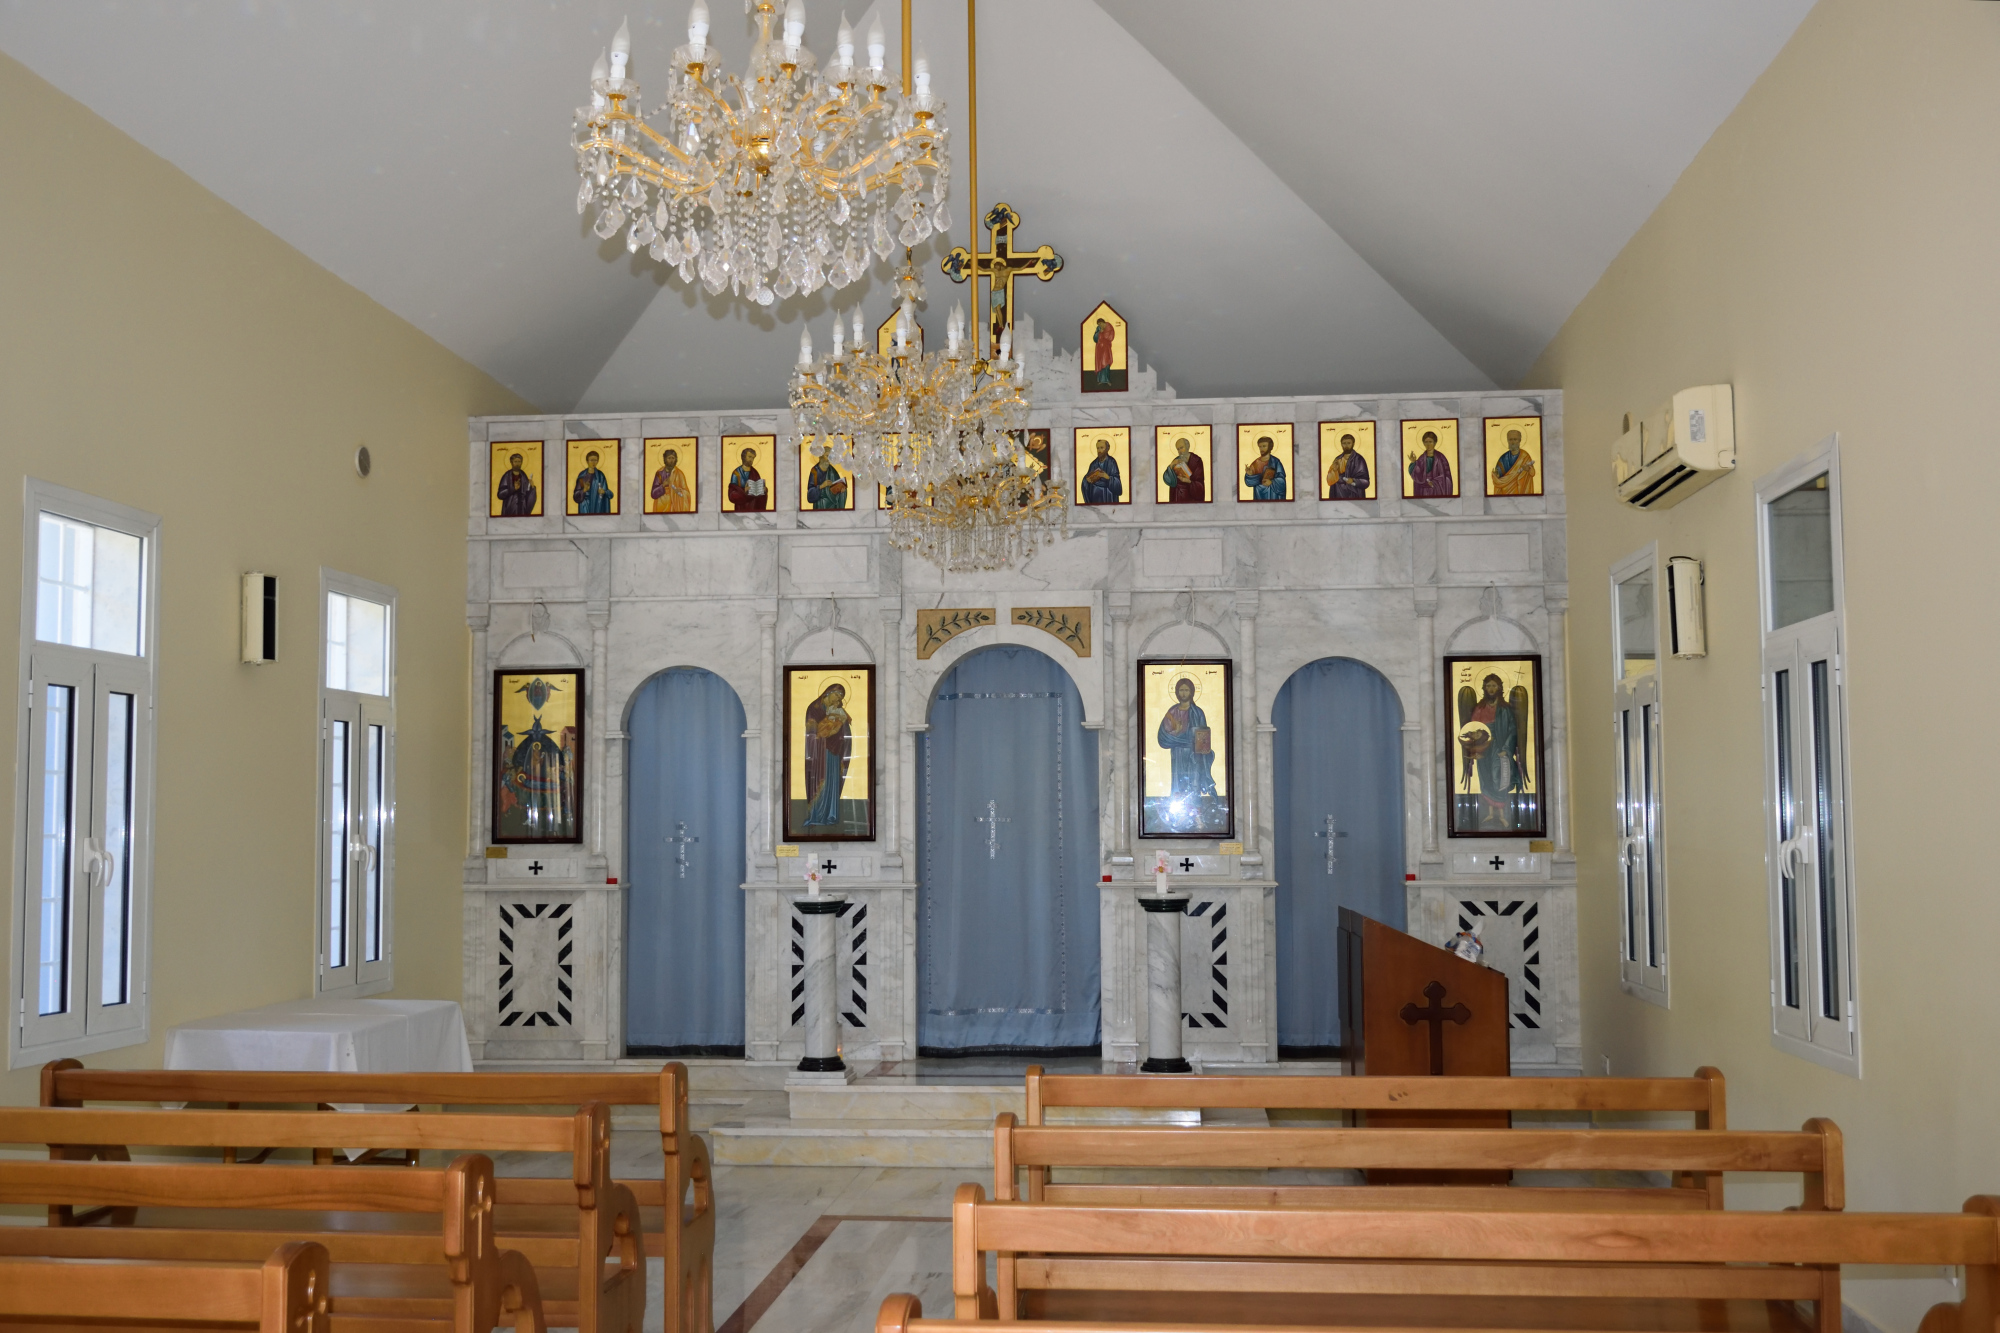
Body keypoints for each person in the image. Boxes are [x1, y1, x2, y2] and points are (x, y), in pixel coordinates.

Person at [1457, 673, 1530, 830]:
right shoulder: (1479, 708)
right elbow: (1472, 729)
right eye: (1488, 685)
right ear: (1484, 688)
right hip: (1484, 748)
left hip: (1500, 748)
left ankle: (1503, 816)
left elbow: (1512, 731)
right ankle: (1489, 813)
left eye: (1494, 686)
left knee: (1500, 779)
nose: (1491, 689)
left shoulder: (1505, 709)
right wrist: (1473, 749)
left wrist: (1505, 749)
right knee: (1486, 779)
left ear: (1499, 688)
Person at [1157, 677, 1217, 803]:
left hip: (1194, 756)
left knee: (1194, 783)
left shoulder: (1198, 712)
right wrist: (1177, 733)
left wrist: (1195, 741)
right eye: (1181, 690)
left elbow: (1204, 740)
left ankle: (1196, 815)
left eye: (1186, 690)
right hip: (1178, 754)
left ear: (1192, 692)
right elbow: (1164, 736)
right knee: (1178, 783)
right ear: (1177, 692)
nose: (1184, 693)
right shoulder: (1172, 712)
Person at [802, 682, 852, 829]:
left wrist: (840, 728)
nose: (839, 699)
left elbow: (846, 733)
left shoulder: (839, 710)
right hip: (820, 753)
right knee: (819, 781)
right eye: (838, 695)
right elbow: (811, 733)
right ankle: (816, 815)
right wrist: (827, 727)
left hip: (835, 752)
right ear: (828, 693)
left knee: (832, 781)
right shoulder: (814, 709)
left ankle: (831, 815)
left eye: (841, 697)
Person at [1407, 429, 1454, 498]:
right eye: (1426, 442)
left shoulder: (1441, 458)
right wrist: (1413, 462)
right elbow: (1417, 476)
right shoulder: (1421, 458)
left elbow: (1447, 477)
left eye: (1430, 442)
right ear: (1423, 443)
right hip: (1423, 491)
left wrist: (1435, 483)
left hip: (1437, 490)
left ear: (1435, 443)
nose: (1428, 444)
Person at [1490, 428, 1538, 496]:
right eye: (1510, 439)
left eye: (1515, 439)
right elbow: (1499, 475)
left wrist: (1528, 470)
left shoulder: (1525, 456)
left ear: (1519, 440)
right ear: (1507, 441)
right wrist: (1496, 475)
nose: (1512, 442)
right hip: (1505, 492)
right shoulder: (1503, 458)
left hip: (1521, 490)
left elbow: (1532, 473)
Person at [1326, 432, 1371, 499]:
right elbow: (1330, 480)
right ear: (1341, 444)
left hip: (1353, 494)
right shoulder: (1337, 459)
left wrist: (1353, 480)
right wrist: (1334, 471)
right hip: (1338, 493)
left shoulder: (1359, 459)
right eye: (1344, 443)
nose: (1346, 445)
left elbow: (1366, 482)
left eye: (1348, 443)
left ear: (1353, 444)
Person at [1162, 435, 1205, 503]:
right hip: (1177, 496)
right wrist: (1171, 466)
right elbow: (1168, 480)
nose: (1180, 451)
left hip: (1191, 497)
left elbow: (1200, 483)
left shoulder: (1196, 460)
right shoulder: (1176, 460)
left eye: (1181, 448)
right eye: (1178, 449)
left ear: (1187, 447)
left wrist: (1189, 481)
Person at [1080, 437, 1123, 505]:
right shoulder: (1093, 464)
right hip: (1095, 497)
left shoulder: (1112, 462)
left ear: (1107, 449)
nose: (1099, 450)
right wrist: (1087, 479)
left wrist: (1107, 477)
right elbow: (1086, 481)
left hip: (1108, 496)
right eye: (1098, 448)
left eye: (1101, 447)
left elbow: (1117, 483)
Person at [650, 447, 693, 513]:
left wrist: (680, 491)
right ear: (665, 459)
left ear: (676, 459)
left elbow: (687, 493)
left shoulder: (679, 474)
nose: (671, 460)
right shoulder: (659, 473)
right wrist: (663, 485)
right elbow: (653, 494)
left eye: (673, 458)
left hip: (675, 506)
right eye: (669, 458)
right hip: (661, 506)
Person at [1244, 435, 1287, 500]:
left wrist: (1272, 482)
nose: (1261, 449)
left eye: (1264, 446)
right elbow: (1248, 482)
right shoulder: (1255, 463)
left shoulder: (1276, 462)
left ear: (1270, 447)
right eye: (1260, 447)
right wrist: (1249, 475)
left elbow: (1282, 481)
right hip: (1258, 495)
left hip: (1273, 495)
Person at [727, 446, 768, 512]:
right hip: (741, 508)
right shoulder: (736, 473)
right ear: (743, 457)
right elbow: (732, 495)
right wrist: (744, 491)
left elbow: (758, 489)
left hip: (754, 506)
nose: (751, 460)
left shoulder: (755, 472)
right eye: (749, 457)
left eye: (753, 458)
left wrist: (764, 490)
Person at [572, 450, 613, 515]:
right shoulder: (582, 476)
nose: (593, 462)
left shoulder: (600, 475)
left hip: (597, 505)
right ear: (587, 461)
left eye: (595, 460)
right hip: (585, 506)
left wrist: (604, 492)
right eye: (591, 460)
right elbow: (576, 496)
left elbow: (610, 494)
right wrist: (584, 490)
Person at [496, 452, 537, 516]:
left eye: (519, 461)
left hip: (522, 507)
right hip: (510, 506)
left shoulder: (523, 475)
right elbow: (500, 494)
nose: (517, 464)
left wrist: (532, 487)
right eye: (515, 461)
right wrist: (513, 489)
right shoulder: (507, 476)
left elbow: (527, 492)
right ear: (511, 462)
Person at [1092, 316, 1117, 388]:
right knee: (1100, 362)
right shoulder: (1098, 328)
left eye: (1100, 323)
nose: (1100, 325)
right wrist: (1099, 332)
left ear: (1103, 322)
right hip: (1099, 348)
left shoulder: (1109, 326)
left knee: (1105, 362)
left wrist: (1103, 333)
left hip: (1106, 348)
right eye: (1098, 324)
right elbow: (1095, 338)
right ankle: (1100, 380)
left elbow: (1110, 337)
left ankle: (1107, 380)